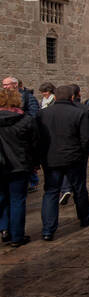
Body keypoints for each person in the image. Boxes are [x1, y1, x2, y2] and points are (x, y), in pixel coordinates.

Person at [38, 85, 89, 239]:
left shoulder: (42, 114)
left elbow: (37, 137)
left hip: (51, 158)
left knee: (51, 191)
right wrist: (81, 153)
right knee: (79, 188)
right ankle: (85, 217)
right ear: (72, 97)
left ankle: (47, 230)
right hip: (73, 157)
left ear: (55, 97)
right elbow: (86, 137)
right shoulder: (79, 112)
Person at [0, 87, 40, 246]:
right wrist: (35, 164)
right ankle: (17, 236)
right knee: (17, 200)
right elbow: (35, 144)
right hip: (20, 165)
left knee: (2, 198)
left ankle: (4, 229)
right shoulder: (25, 120)